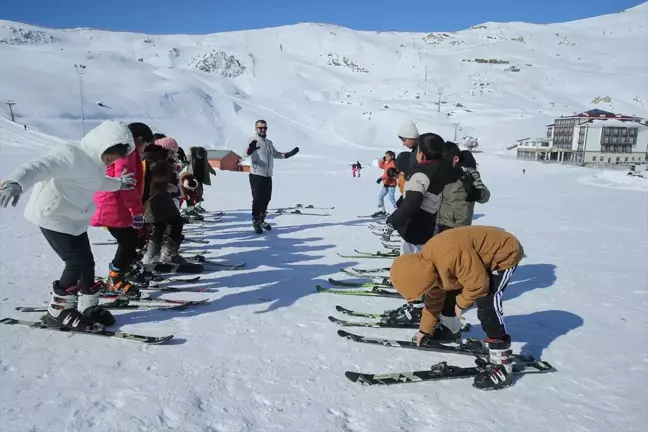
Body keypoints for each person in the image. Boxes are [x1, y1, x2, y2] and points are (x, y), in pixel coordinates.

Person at [0, 120, 137, 331]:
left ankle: (88, 306)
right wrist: (16, 182)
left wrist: (120, 183)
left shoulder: (96, 164)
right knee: (75, 261)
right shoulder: (70, 154)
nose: (111, 161)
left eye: (115, 159)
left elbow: (98, 182)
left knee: (87, 262)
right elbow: (39, 166)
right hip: (52, 216)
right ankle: (58, 312)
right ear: (102, 145)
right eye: (110, 156)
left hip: (76, 219)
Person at [389, 225, 524, 390]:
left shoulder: (450, 255)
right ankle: (451, 330)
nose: (425, 293)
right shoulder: (428, 267)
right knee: (450, 295)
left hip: (503, 254)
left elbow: (479, 285)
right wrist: (425, 330)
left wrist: (461, 304)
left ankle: (503, 366)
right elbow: (433, 299)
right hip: (478, 260)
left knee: (487, 304)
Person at [90, 123, 154, 297]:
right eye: (145, 146)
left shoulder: (125, 149)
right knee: (128, 241)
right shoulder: (128, 151)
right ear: (139, 139)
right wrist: (137, 212)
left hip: (115, 204)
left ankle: (122, 272)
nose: (143, 151)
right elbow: (127, 184)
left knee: (130, 240)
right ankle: (116, 278)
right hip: (113, 204)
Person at [384, 133, 460, 254]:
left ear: (422, 154)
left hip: (415, 225)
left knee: (412, 258)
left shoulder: (420, 175)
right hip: (433, 222)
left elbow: (412, 201)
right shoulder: (447, 169)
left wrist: (393, 222)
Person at [245, 119, 300, 234]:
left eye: (265, 128)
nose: (263, 130)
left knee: (266, 199)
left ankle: (261, 220)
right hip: (256, 175)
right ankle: (255, 221)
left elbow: (275, 154)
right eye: (260, 128)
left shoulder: (269, 142)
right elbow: (244, 153)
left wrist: (288, 154)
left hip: (268, 175)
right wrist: (250, 149)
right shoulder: (253, 141)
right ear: (256, 129)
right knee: (257, 199)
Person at [141, 139, 186, 265]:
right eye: (171, 152)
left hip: (161, 198)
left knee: (165, 225)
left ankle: (157, 256)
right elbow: (153, 182)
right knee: (162, 225)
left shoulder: (157, 160)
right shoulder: (156, 161)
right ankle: (160, 256)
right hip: (154, 199)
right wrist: (167, 185)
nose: (173, 155)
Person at [436, 143, 490, 234]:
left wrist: (473, 191)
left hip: (457, 228)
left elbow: (485, 196)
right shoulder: (441, 174)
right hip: (438, 225)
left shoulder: (468, 174)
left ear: (455, 159)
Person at [374, 151, 397, 216]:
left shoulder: (393, 164)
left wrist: (381, 178)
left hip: (392, 184)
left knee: (391, 198)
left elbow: (388, 174)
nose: (386, 158)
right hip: (386, 183)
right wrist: (382, 160)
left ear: (392, 157)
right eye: (385, 157)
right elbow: (381, 166)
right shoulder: (387, 163)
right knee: (380, 197)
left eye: (387, 157)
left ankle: (397, 210)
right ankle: (382, 210)